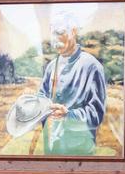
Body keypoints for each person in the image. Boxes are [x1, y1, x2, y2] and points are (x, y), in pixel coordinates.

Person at [31, 8, 108, 155]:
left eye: (59, 32)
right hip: (51, 149)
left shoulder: (91, 66)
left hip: (80, 152)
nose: (55, 39)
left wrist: (68, 115)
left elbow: (96, 114)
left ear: (73, 31)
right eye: (52, 33)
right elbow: (42, 98)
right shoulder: (51, 66)